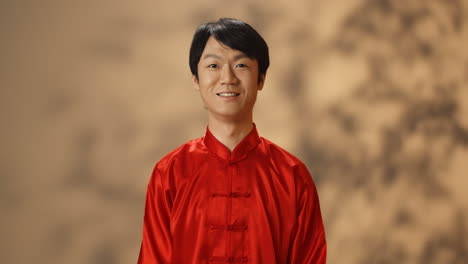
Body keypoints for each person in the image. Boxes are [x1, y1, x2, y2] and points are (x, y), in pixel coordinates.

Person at [137, 18, 326, 264]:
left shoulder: (292, 176)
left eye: (241, 65)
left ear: (261, 79)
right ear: (196, 79)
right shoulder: (169, 174)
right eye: (213, 65)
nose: (228, 78)